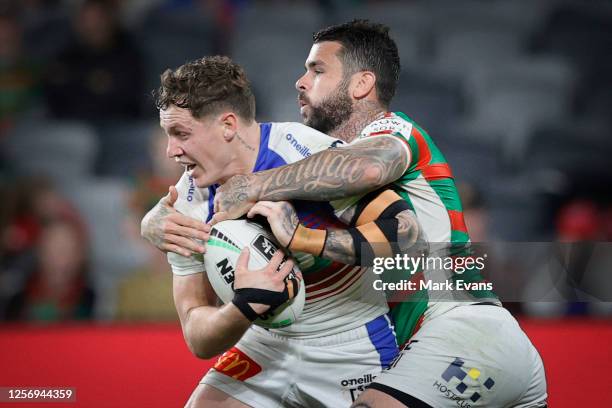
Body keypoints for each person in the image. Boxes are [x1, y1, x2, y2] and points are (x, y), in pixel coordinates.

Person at [146, 21, 548, 407]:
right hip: (400, 337)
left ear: (362, 83)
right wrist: (156, 222)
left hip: (460, 323)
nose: (300, 82)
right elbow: (197, 334)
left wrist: (257, 192)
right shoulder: (313, 163)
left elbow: (369, 176)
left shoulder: (388, 133)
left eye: (316, 70)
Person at [144, 54, 428, 407]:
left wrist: (304, 240)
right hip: (264, 344)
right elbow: (198, 337)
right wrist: (245, 307)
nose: (171, 151)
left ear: (228, 125)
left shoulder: (307, 155)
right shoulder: (185, 206)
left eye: (181, 133)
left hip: (350, 342)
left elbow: (405, 236)